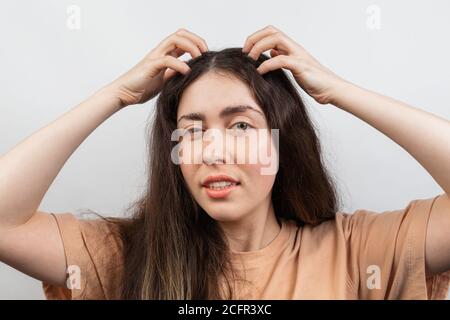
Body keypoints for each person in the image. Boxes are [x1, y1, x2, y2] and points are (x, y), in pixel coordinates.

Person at [0, 25, 449, 300]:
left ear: (281, 144)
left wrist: (338, 89)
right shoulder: (125, 255)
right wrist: (115, 96)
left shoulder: (358, 251)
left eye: (240, 127)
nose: (214, 152)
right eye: (192, 131)